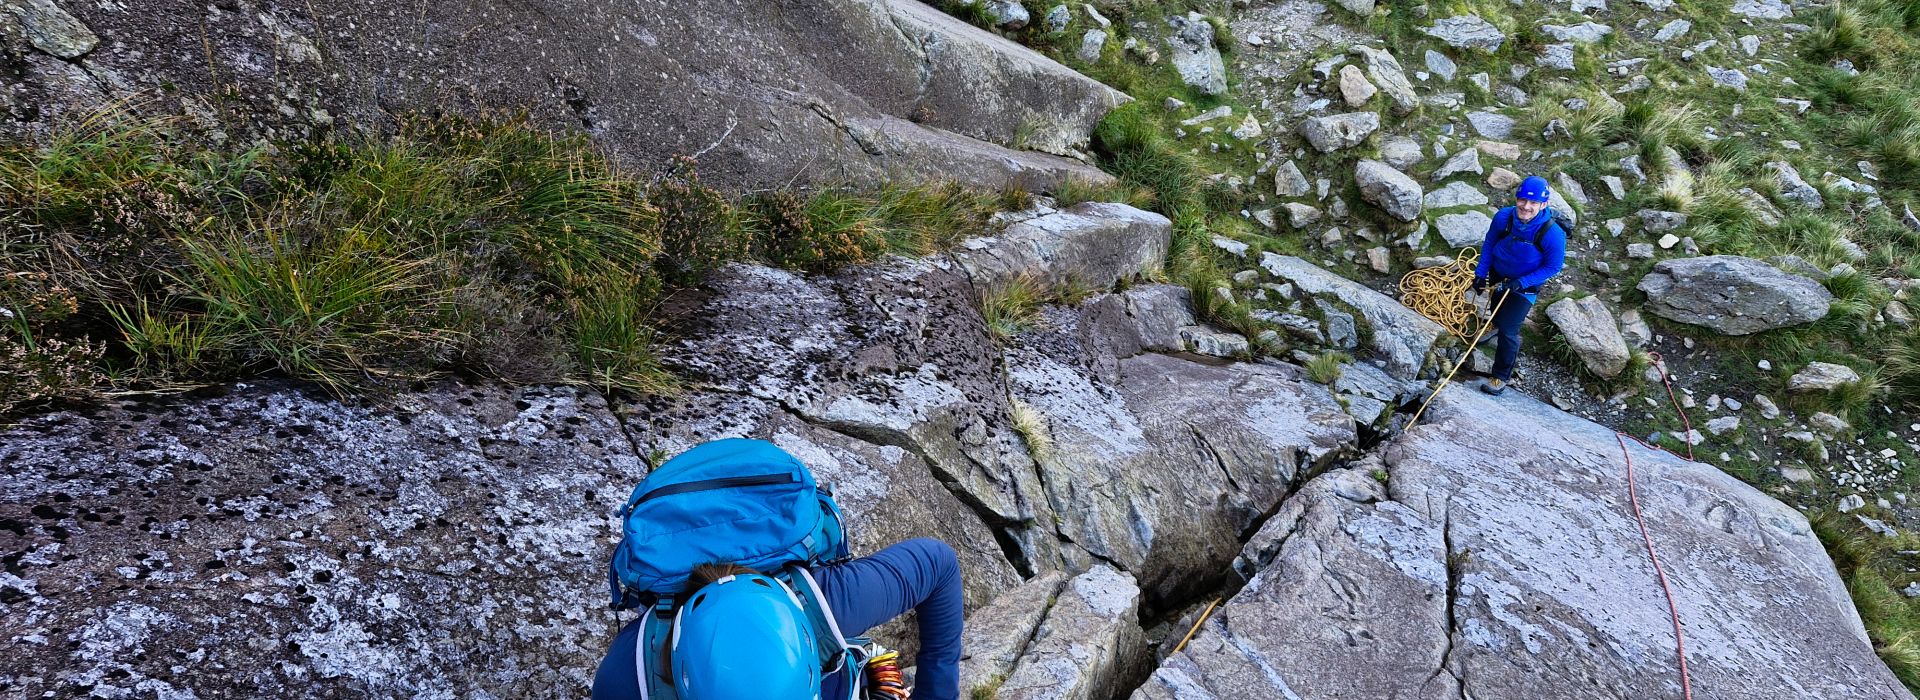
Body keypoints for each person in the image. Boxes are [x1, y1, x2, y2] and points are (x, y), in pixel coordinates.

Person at [1471, 175, 1567, 396]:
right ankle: (1493, 325)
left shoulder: (1553, 234)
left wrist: (1522, 282)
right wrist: (1480, 273)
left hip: (1524, 286)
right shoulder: (1504, 218)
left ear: (1543, 205)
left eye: (1533, 203)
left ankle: (1500, 376)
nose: (1526, 206)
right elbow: (1489, 243)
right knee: (1495, 306)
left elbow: (1553, 267)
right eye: (1523, 200)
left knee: (1509, 330)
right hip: (1499, 273)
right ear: (1517, 198)